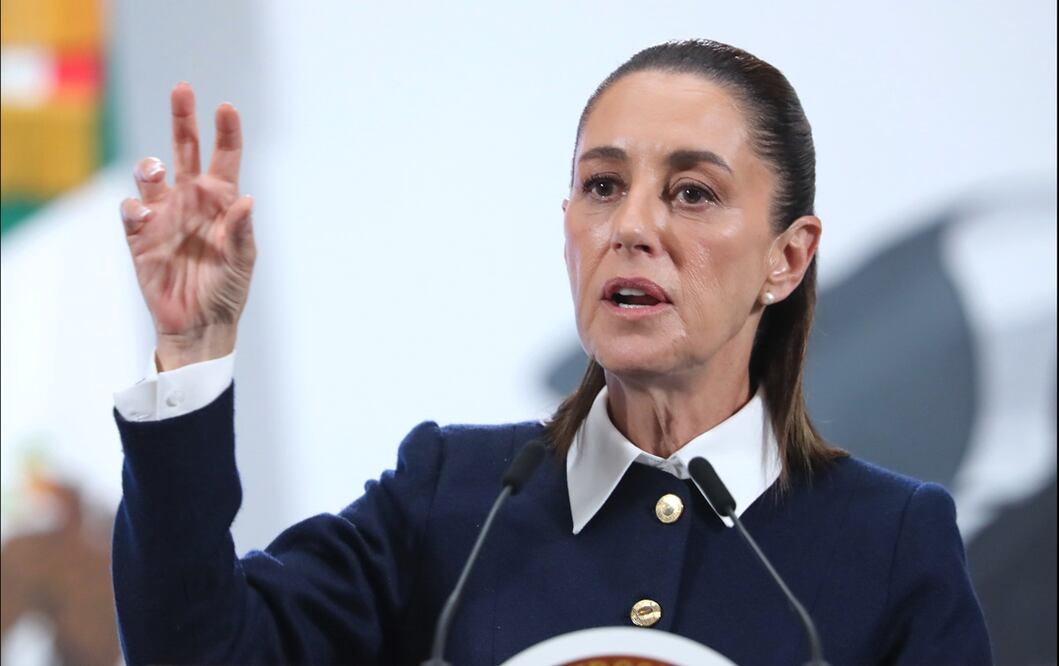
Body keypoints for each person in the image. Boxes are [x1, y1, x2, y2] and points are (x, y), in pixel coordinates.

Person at [112, 40, 992, 665]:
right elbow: (196, 650)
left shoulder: (887, 541)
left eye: (691, 192)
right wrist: (193, 348)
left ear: (786, 257)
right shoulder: (451, 496)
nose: (631, 226)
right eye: (602, 186)